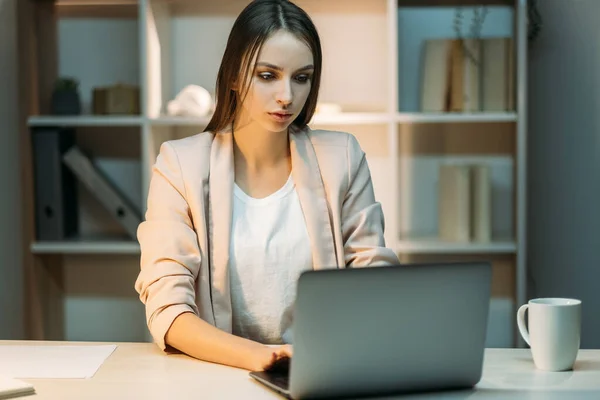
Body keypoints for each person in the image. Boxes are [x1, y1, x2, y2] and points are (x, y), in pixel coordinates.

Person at [134, 0, 400, 372]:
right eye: (267, 75)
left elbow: (375, 283)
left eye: (301, 77)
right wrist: (267, 359)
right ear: (232, 76)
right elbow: (167, 311)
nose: (287, 96)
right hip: (216, 375)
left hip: (324, 372)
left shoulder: (343, 156)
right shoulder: (179, 164)